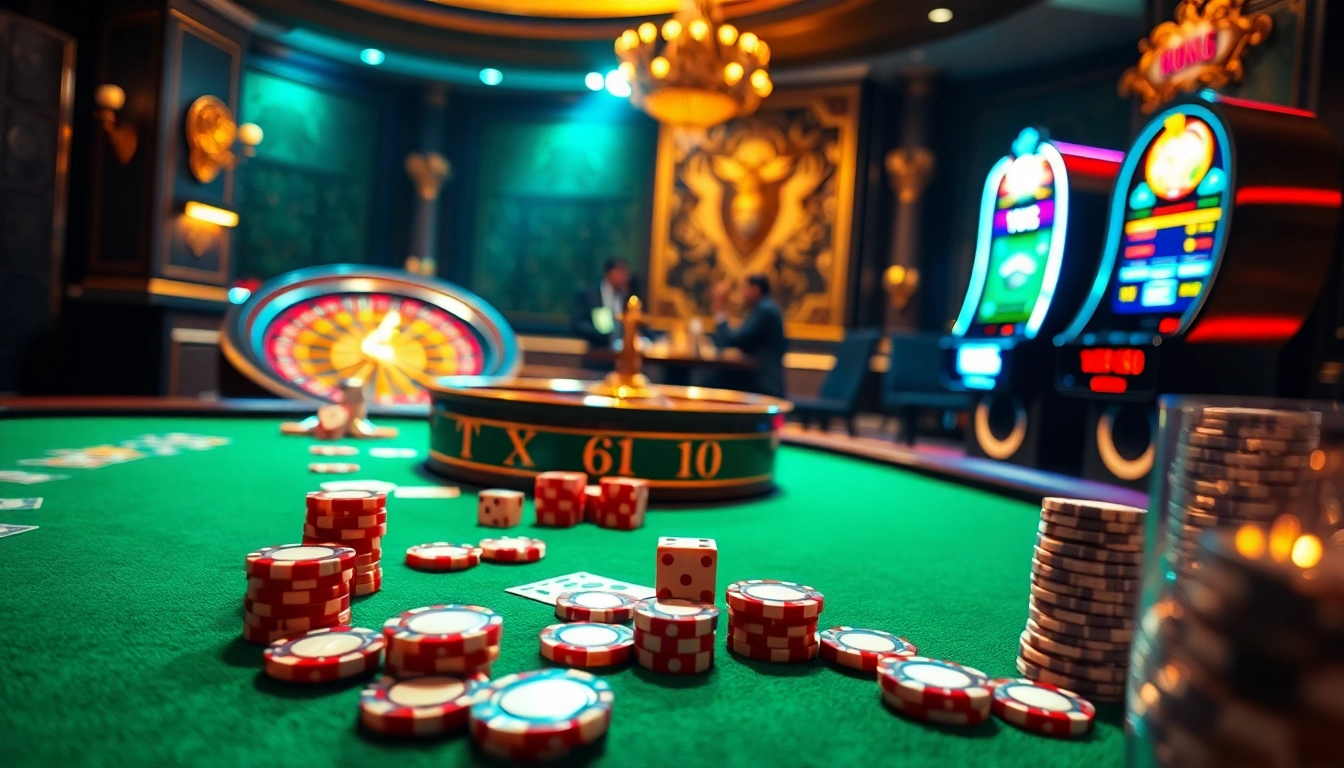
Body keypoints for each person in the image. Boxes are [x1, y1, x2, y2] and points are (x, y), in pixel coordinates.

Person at [710, 273, 787, 398]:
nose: (742, 294)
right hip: (758, 379)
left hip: (764, 384)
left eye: (744, 289)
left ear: (755, 290)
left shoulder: (765, 310)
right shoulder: (764, 307)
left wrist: (720, 311)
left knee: (714, 384)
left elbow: (734, 340)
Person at [572, 258, 632, 351]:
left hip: (624, 352)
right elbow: (577, 325)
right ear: (609, 273)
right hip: (597, 352)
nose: (625, 277)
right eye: (621, 272)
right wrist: (601, 333)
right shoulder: (589, 295)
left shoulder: (629, 296)